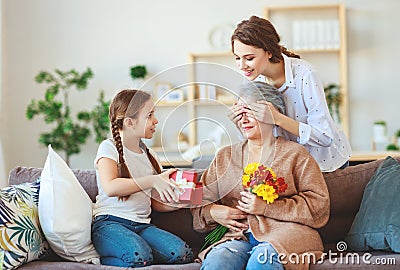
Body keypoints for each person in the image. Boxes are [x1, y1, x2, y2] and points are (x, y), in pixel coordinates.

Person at [192, 81, 330, 269]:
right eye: (239, 113)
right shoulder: (225, 156)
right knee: (219, 261)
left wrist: (267, 208)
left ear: (272, 113)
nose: (244, 119)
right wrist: (213, 212)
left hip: (286, 235)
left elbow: (318, 207)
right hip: (236, 236)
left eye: (251, 112)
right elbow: (199, 201)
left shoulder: (295, 154)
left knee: (261, 260)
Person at [229, 15, 351, 172]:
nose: (241, 65)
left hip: (326, 165)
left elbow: (325, 137)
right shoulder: (252, 81)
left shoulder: (305, 74)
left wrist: (278, 119)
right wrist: (239, 124)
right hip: (291, 167)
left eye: (249, 58)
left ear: (269, 52)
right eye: (237, 58)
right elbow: (256, 137)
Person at [91, 89, 193, 267]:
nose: (156, 120)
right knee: (139, 256)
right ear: (129, 122)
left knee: (182, 254)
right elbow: (111, 187)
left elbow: (155, 202)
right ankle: (106, 257)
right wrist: (153, 180)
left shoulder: (150, 155)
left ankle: (133, 250)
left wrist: (182, 202)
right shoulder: (109, 147)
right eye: (150, 115)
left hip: (143, 226)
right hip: (110, 222)